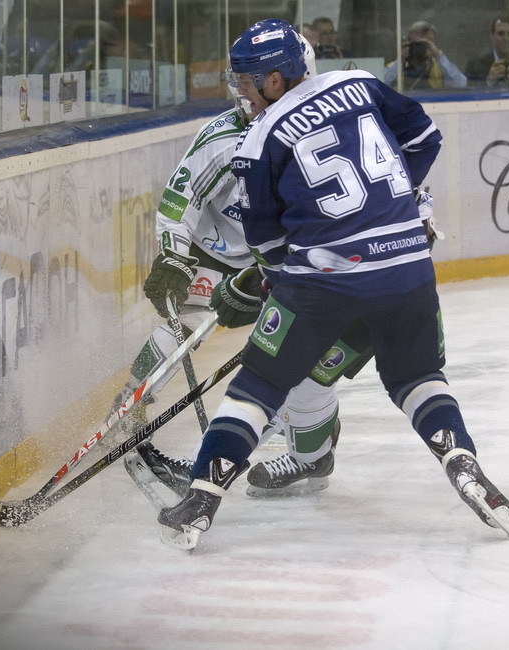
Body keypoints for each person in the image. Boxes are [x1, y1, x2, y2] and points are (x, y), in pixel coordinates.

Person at [158, 19, 509, 549]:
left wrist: (269, 285)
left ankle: (202, 499)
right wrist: (385, 204)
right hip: (410, 269)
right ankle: (461, 460)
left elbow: (271, 246)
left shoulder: (258, 141)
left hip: (326, 281)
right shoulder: (361, 85)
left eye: (248, 81)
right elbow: (425, 136)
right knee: (418, 377)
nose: (241, 92)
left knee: (260, 382)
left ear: (277, 80)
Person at [115, 36, 374, 499]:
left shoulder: (322, 134)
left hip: (286, 264)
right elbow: (180, 201)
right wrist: (174, 256)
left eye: (250, 81)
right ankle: (130, 404)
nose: (241, 91)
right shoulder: (223, 137)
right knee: (186, 323)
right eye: (239, 79)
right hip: (215, 254)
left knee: (302, 361)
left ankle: (308, 455)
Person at [384, 20, 466, 90]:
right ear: (409, 43)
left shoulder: (439, 67)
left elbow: (461, 84)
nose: (422, 46)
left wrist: (439, 55)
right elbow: (378, 86)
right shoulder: (397, 66)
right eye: (418, 42)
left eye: (427, 42)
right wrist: (400, 60)